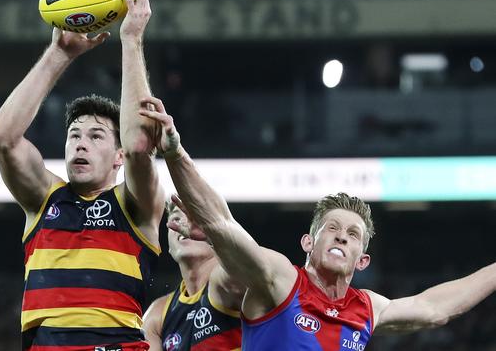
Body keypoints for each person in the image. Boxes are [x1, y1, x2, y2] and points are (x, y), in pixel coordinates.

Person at [137, 95, 496, 350]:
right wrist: (174, 152)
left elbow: (436, 309)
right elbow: (222, 223)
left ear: (362, 260)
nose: (341, 237)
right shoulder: (280, 280)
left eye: (352, 235)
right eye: (331, 229)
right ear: (308, 243)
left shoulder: (366, 307)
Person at [0, 0, 167, 349]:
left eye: (97, 136)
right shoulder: (44, 198)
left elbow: (137, 145)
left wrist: (130, 40)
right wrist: (58, 54)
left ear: (117, 157)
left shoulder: (135, 204)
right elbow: (3, 138)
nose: (81, 143)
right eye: (74, 135)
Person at [143, 200, 244, 351]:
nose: (185, 224)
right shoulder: (157, 314)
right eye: (176, 217)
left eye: (196, 216)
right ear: (168, 246)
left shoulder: (232, 283)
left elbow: (254, 269)